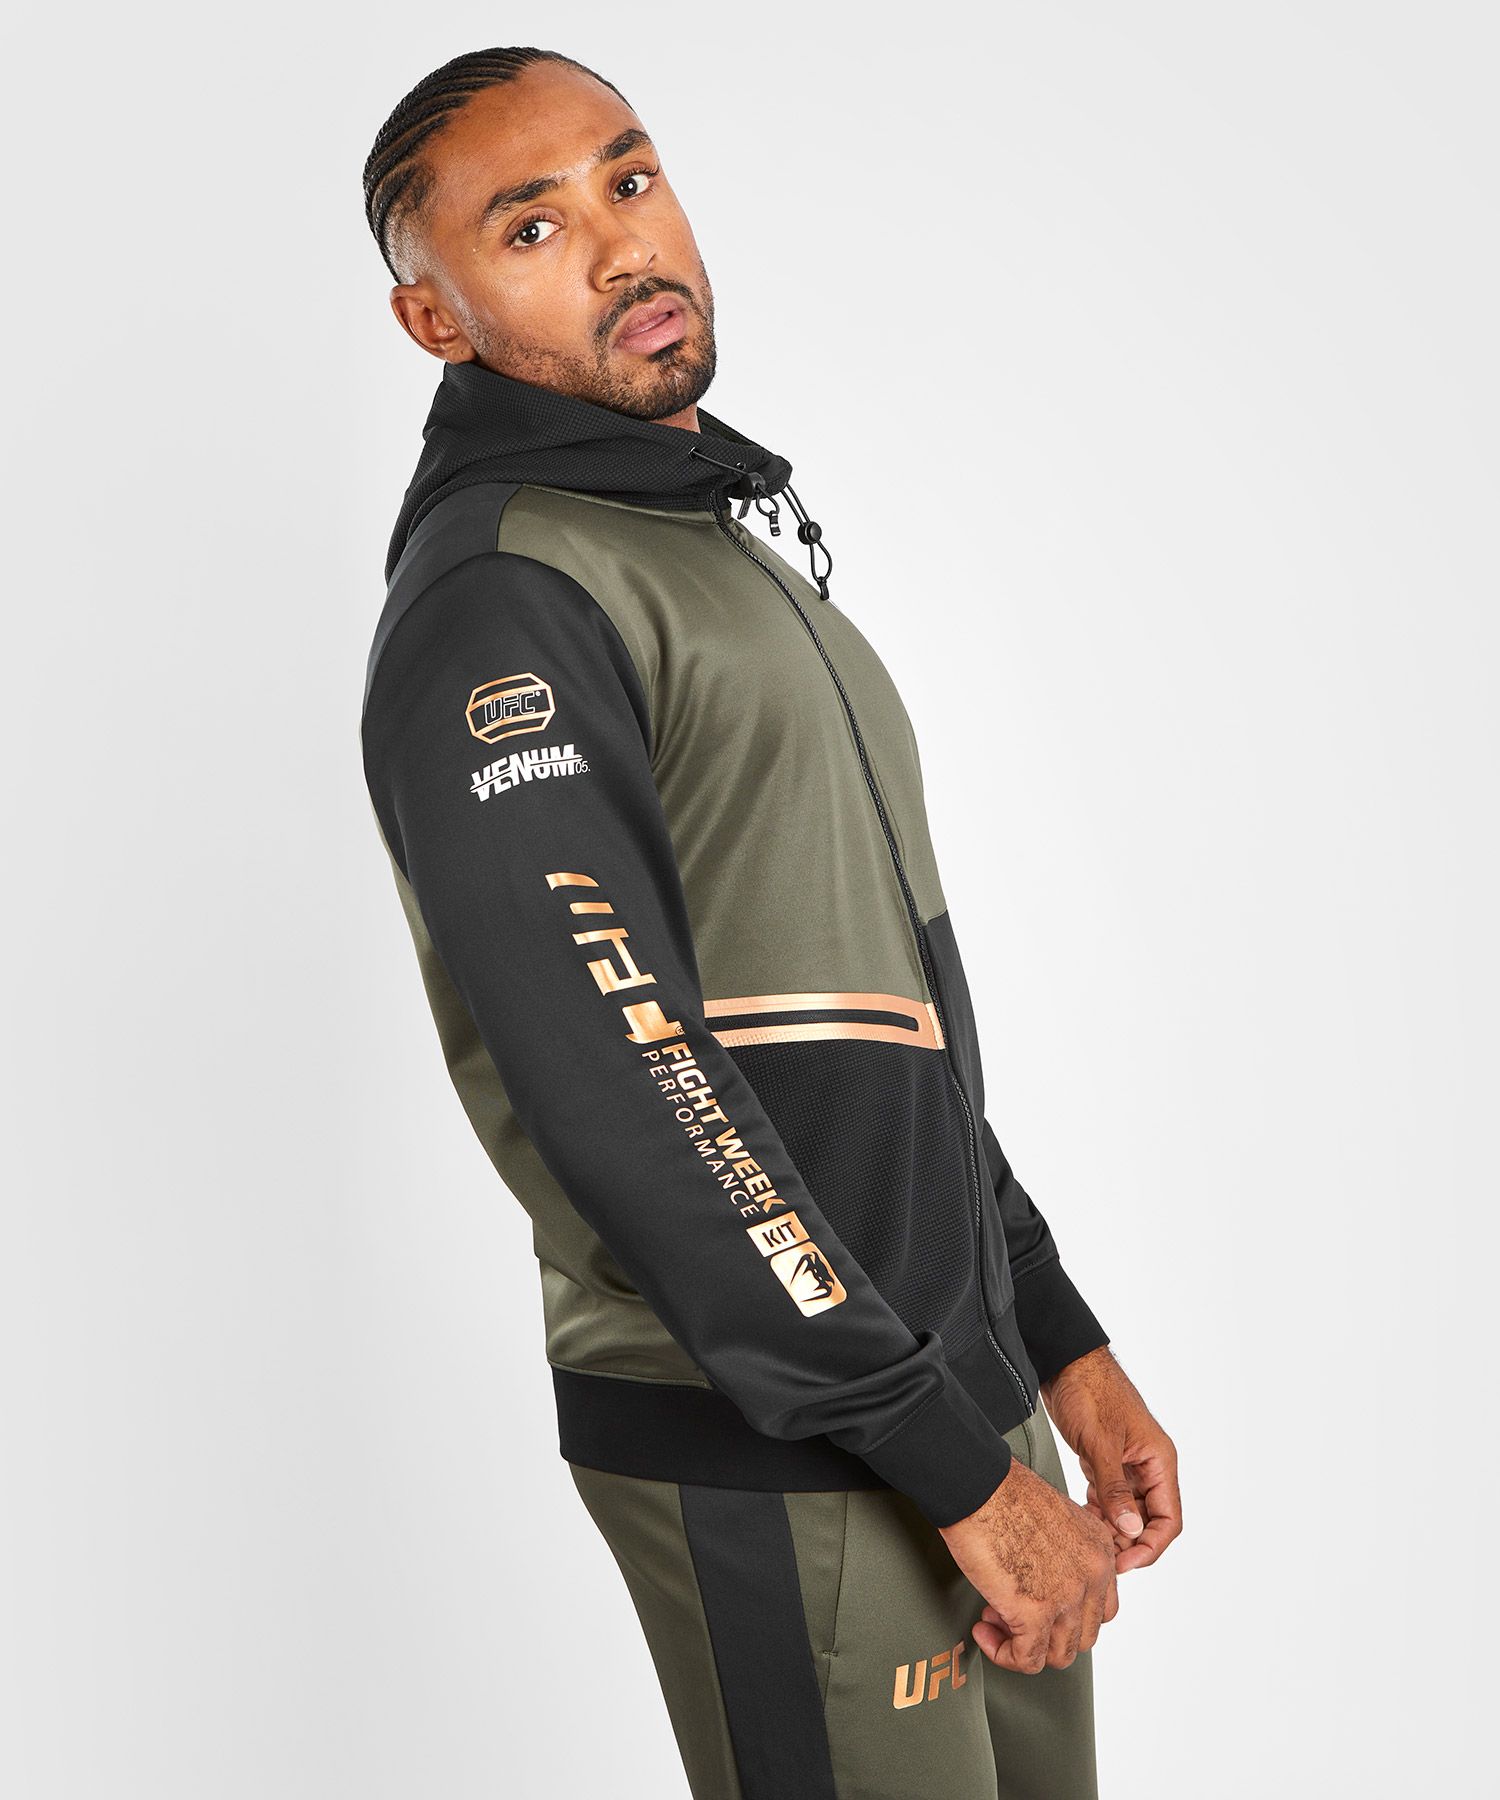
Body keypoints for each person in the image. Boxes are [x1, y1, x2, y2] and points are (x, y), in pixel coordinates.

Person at [358, 44, 1181, 1799]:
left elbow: (883, 1024)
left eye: (630, 178)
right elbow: (628, 1079)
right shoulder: (506, 601)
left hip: (953, 1407)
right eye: (530, 228)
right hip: (792, 1439)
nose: (622, 246)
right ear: (435, 319)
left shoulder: (707, 552)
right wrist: (943, 1458)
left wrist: (1052, 1335)